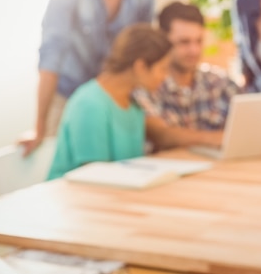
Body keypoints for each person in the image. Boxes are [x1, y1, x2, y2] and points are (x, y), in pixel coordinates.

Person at [22, 0, 155, 156]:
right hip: (67, 97)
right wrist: (39, 126)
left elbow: (140, 59)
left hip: (111, 101)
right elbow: (51, 56)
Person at [47, 23, 171, 180]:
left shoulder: (134, 104)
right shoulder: (89, 104)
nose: (166, 77)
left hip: (118, 194)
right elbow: (94, 176)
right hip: (73, 197)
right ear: (140, 66)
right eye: (163, 69)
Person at [133, 1, 241, 150]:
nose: (194, 50)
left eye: (199, 41)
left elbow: (249, 124)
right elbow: (161, 135)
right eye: (184, 42)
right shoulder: (148, 86)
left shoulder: (220, 82)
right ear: (164, 40)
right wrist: (220, 138)